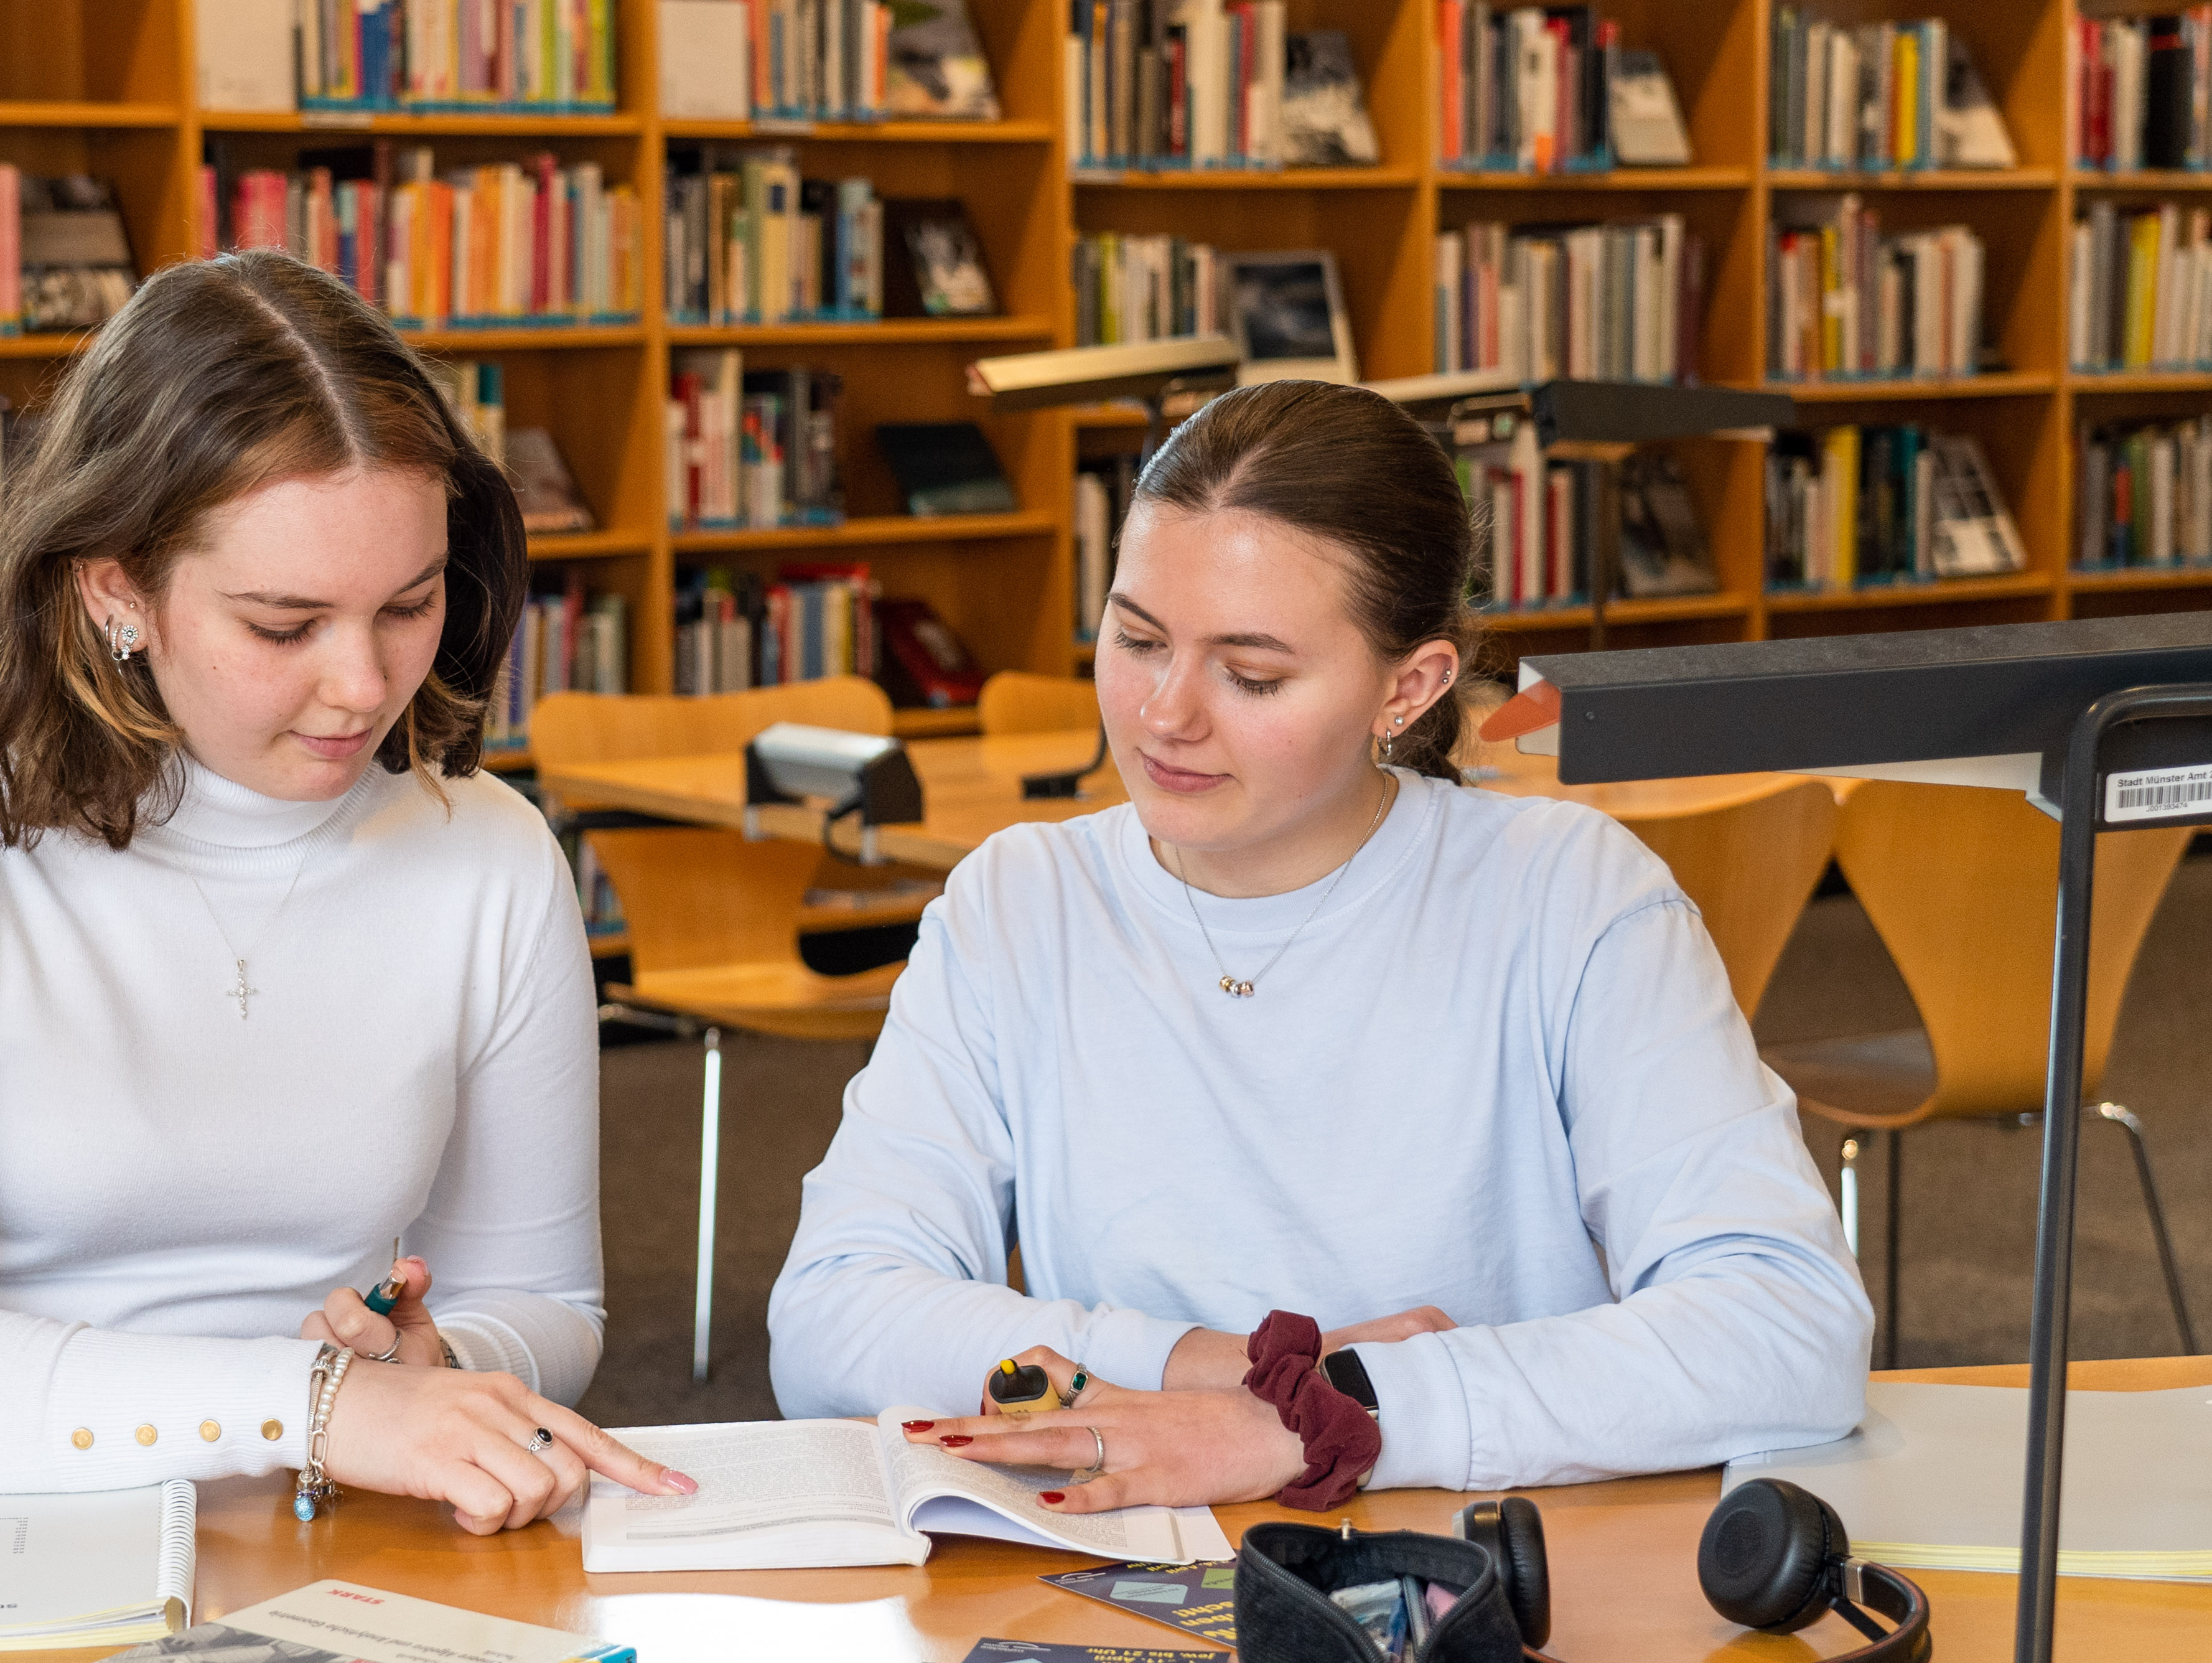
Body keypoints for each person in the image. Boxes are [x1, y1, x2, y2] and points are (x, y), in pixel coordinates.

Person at [0, 251, 686, 1532]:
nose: (363, 685)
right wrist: (304, 1400)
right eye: (284, 624)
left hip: (328, 1536)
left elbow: (546, 1294)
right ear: (117, 587)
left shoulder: (489, 854)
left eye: (411, 603)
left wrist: (446, 1364)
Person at [767, 379, 1870, 1510]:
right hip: (1131, 1566)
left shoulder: (1570, 898)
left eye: (1252, 675)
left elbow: (1786, 1327)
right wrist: (1245, 1376)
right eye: (1138, 639)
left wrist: (1333, 1420)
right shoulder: (1021, 901)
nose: (1164, 716)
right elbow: (830, 1318)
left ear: (1409, 687)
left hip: (1504, 1566)